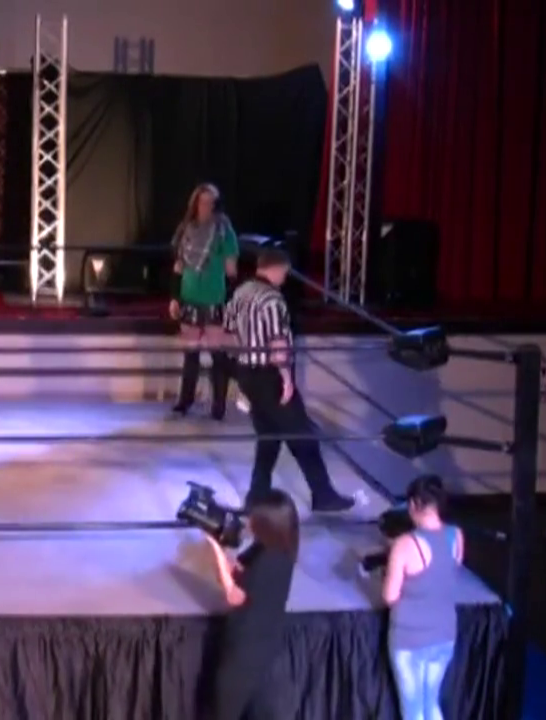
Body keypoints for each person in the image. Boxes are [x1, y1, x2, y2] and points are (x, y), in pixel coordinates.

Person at [223, 247, 355, 513]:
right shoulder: (273, 299)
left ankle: (257, 497)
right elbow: (278, 342)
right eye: (284, 273)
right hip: (269, 375)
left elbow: (228, 333)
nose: (284, 279)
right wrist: (286, 378)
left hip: (247, 371)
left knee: (269, 436)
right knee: (302, 434)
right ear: (277, 269)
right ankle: (323, 495)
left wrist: (242, 366)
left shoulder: (241, 292)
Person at [203, 488, 300, 720]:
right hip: (260, 645)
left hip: (246, 653)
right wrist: (223, 547)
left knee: (224, 711)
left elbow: (233, 595)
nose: (249, 520)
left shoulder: (269, 561)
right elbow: (237, 573)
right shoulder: (276, 547)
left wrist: (215, 549)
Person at [382, 475, 461, 720]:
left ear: (414, 504)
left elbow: (390, 597)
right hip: (445, 634)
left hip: (409, 639)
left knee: (413, 711)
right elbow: (447, 575)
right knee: (431, 703)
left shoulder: (404, 544)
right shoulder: (457, 536)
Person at [168, 183, 239, 420]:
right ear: (195, 203)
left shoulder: (224, 230)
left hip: (214, 297)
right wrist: (174, 298)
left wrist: (230, 301)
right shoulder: (186, 229)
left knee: (217, 354)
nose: (207, 206)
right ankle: (185, 401)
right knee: (191, 354)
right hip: (189, 295)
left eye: (212, 202)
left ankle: (218, 406)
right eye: (203, 201)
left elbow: (231, 270)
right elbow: (178, 267)